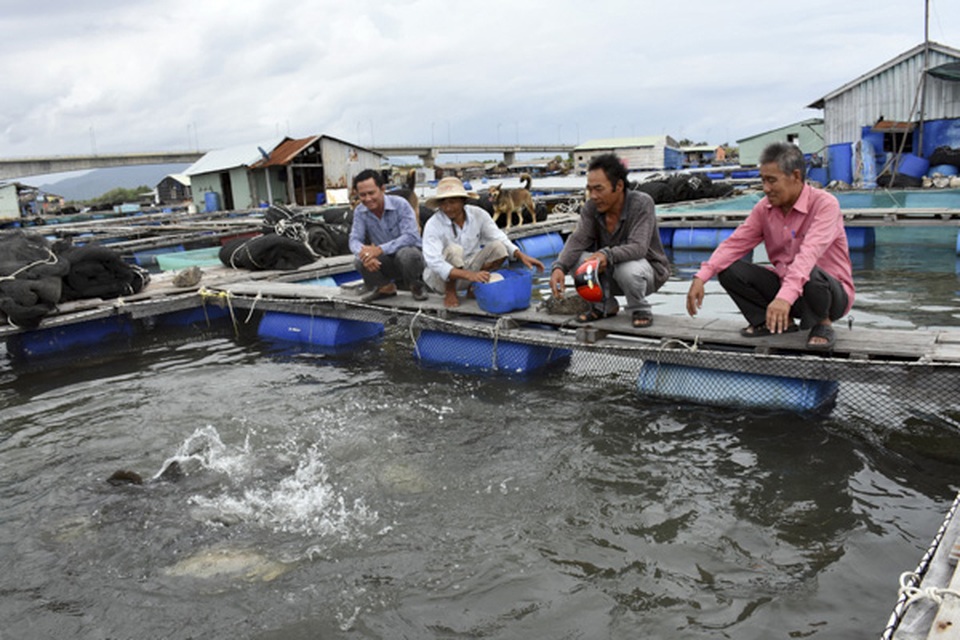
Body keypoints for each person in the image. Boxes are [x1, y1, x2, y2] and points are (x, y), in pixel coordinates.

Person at [685, 141, 855, 351]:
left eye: (772, 181)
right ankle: (769, 322)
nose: (766, 188)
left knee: (811, 272)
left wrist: (784, 298)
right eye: (763, 180)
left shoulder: (825, 205)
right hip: (788, 292)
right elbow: (734, 244)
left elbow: (808, 255)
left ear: (795, 176)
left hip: (828, 295)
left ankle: (822, 323)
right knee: (729, 269)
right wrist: (702, 276)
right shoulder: (764, 209)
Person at [548, 153, 670, 327]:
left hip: (645, 274)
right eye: (590, 189)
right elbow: (577, 240)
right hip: (607, 275)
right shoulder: (591, 208)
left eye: (599, 189)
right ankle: (604, 305)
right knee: (577, 260)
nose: (593, 196)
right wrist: (559, 267)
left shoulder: (642, 203)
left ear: (618, 186)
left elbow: (639, 247)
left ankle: (639, 308)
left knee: (627, 268)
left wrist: (606, 255)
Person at [422, 176, 544, 308]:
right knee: (454, 250)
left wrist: (520, 254)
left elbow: (498, 236)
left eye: (452, 202)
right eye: (443, 203)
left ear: (463, 201)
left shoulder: (478, 214)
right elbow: (434, 262)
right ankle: (450, 292)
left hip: (470, 273)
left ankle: (473, 288)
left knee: (499, 248)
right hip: (440, 279)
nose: (448, 208)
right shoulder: (433, 224)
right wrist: (470, 275)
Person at [349, 169, 428, 302]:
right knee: (359, 261)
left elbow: (411, 236)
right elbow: (354, 239)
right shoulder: (360, 211)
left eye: (371, 193)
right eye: (362, 195)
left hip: (410, 260)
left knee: (407, 254)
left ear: (382, 189)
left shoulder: (401, 204)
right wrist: (366, 255)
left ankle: (417, 286)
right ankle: (385, 288)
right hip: (386, 261)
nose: (367, 199)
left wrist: (379, 249)